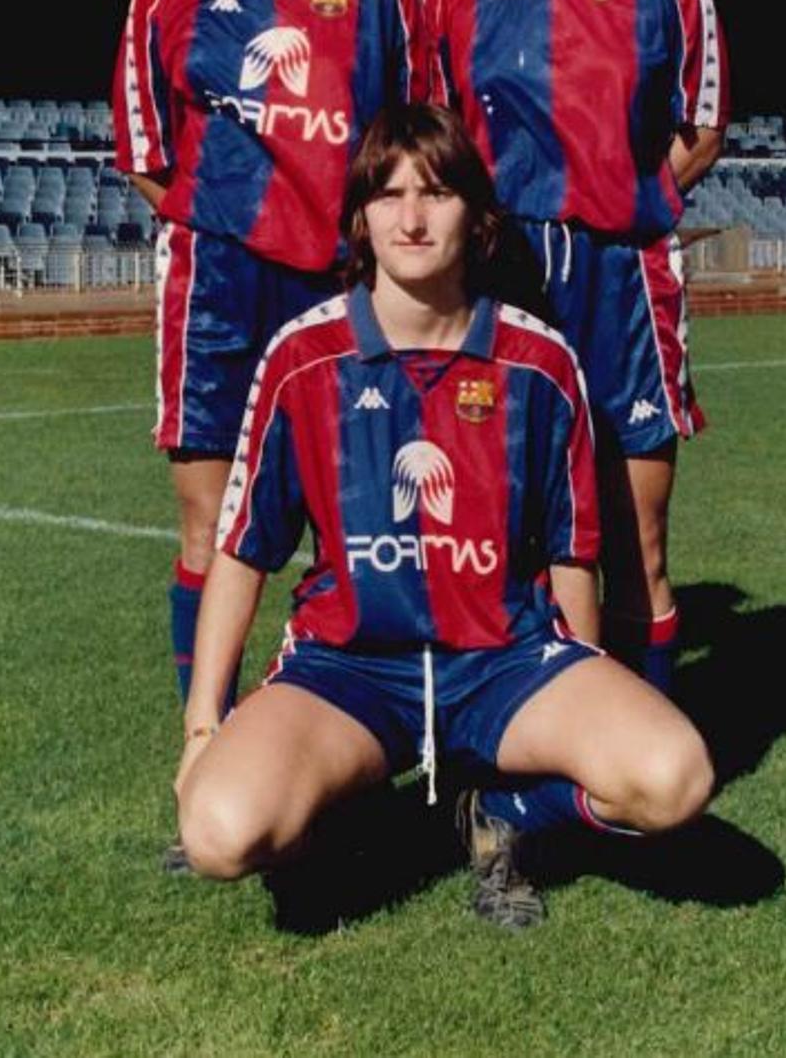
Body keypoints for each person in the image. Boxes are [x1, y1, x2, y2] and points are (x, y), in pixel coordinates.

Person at [175, 104, 713, 928]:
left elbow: (573, 553)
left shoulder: (540, 363)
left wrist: (586, 679)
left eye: (437, 193)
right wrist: (202, 724)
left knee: (677, 778)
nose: (413, 218)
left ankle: (507, 808)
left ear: (478, 214)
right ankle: (354, 806)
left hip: (504, 664)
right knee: (220, 833)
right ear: (359, 217)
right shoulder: (302, 359)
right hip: (349, 671)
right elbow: (242, 552)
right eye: (388, 195)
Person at [112, 0, 425, 758]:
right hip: (218, 291)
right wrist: (226, 223)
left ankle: (340, 739)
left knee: (355, 530)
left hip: (343, 291)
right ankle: (206, 747)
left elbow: (413, 139)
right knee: (212, 533)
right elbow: (151, 157)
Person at [421, 0, 729, 693]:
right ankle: (509, 777)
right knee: (504, 538)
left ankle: (640, 766)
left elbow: (703, 122)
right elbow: (431, 141)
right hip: (499, 277)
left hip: (622, 279)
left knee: (636, 542)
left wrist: (633, 201)